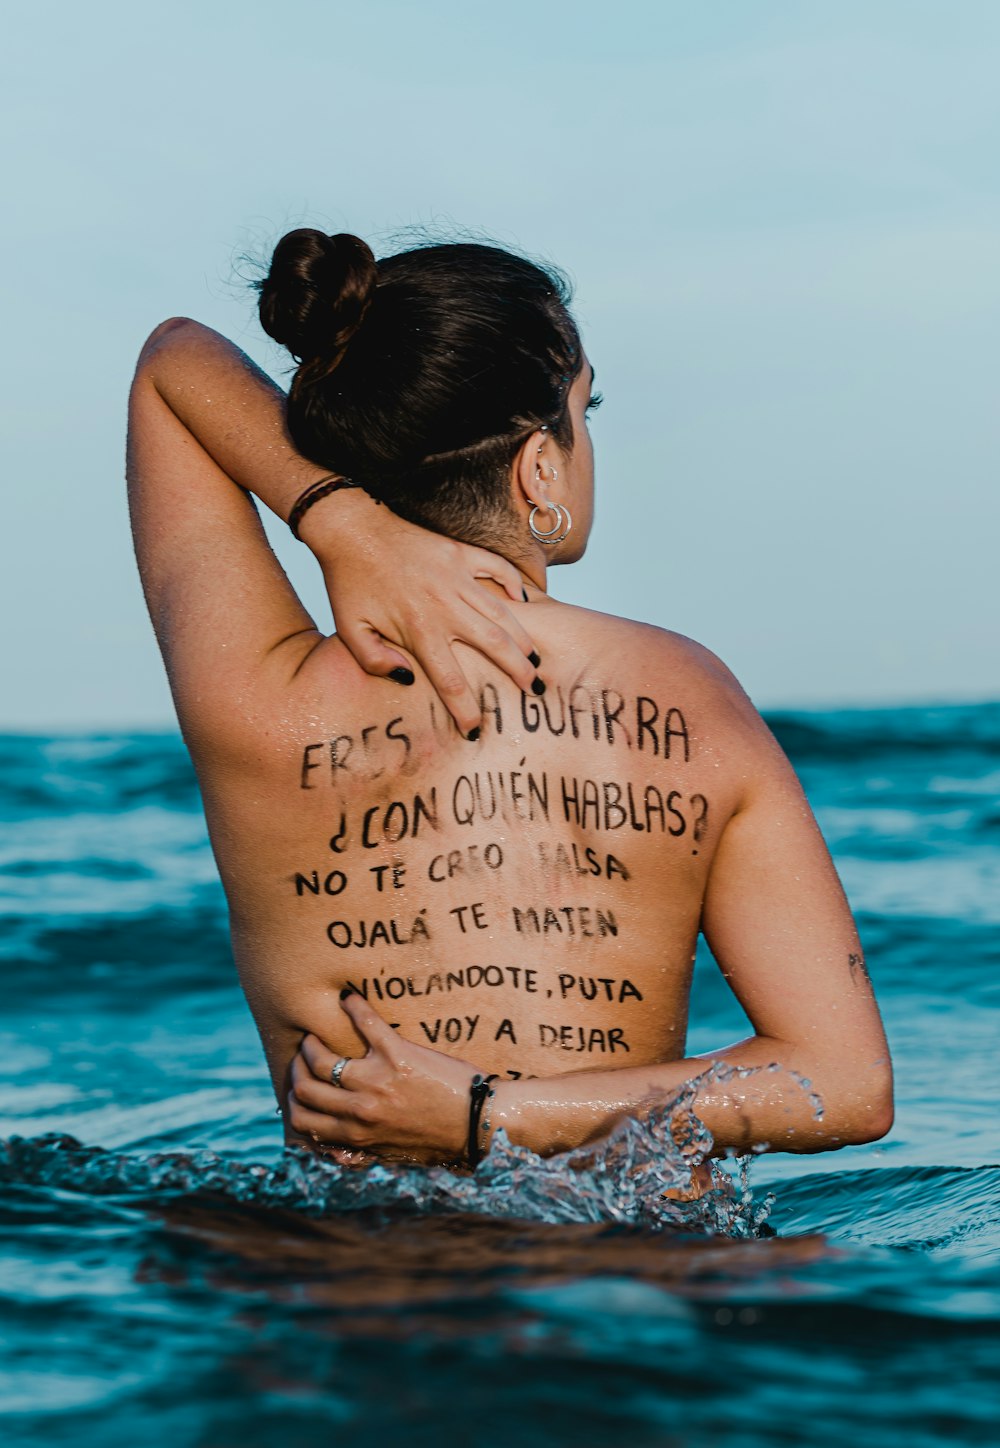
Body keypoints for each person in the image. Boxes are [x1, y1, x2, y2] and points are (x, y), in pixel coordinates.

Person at [127, 229, 892, 1182]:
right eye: (587, 406)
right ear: (539, 467)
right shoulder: (686, 694)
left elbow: (171, 363)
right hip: (629, 1275)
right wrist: (490, 1115)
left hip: (343, 1284)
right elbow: (844, 1084)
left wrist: (337, 523)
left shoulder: (259, 698)